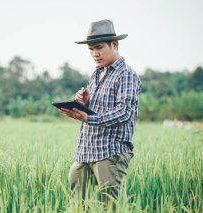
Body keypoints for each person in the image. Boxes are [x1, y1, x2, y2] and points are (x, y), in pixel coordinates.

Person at [59, 19, 141, 210]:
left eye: (99, 47)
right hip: (86, 150)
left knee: (109, 207)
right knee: (77, 204)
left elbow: (124, 113)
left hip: (110, 152)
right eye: (90, 49)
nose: (94, 53)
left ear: (115, 44)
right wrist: (84, 104)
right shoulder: (97, 73)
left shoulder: (126, 74)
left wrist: (88, 117)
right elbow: (100, 108)